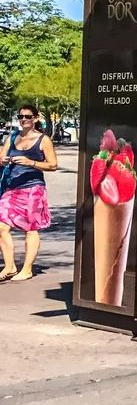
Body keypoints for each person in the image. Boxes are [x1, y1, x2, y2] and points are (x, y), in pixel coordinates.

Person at [0, 105, 57, 282]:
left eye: (27, 116)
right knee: (1, 226)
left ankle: (27, 269)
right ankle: (9, 266)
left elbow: (53, 165)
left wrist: (30, 162)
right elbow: (1, 159)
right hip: (12, 188)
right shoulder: (12, 137)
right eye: (21, 116)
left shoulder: (43, 140)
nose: (23, 119)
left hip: (33, 188)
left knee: (30, 229)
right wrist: (4, 160)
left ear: (35, 118)